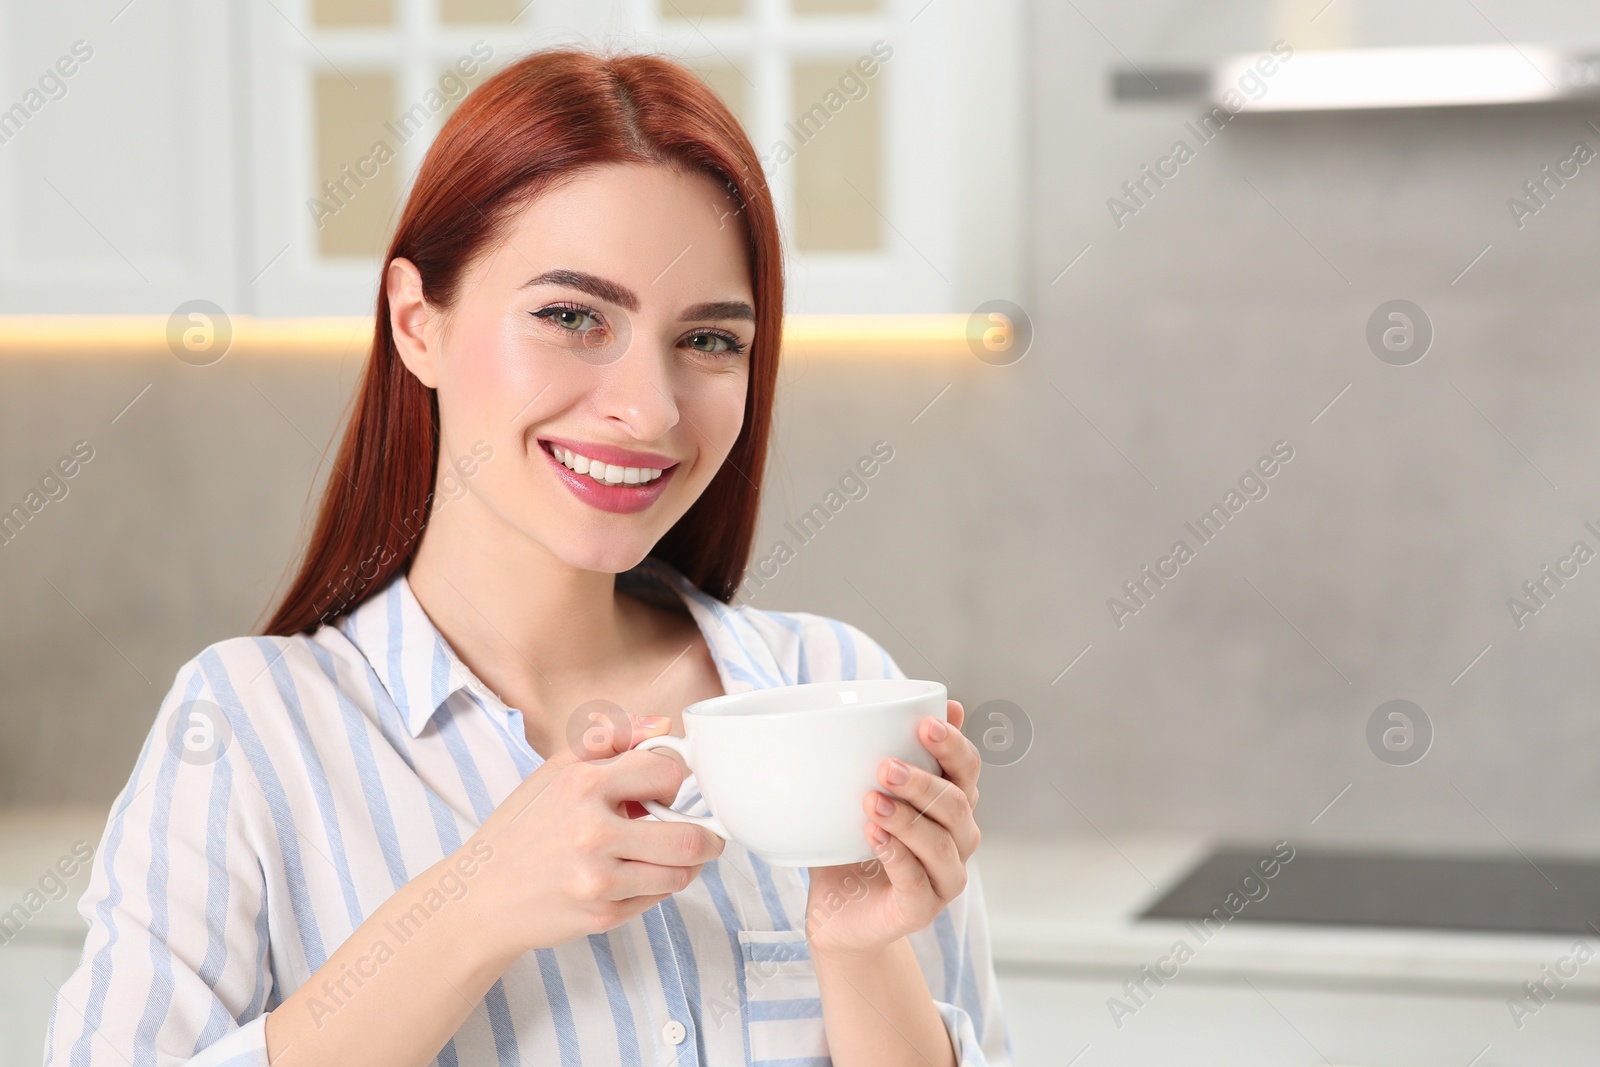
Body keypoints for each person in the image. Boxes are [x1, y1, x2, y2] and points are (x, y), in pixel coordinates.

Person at [43, 47, 1012, 1067]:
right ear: (417, 322)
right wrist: (472, 906)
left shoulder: (839, 691)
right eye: (572, 317)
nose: (649, 407)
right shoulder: (248, 730)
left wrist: (859, 957)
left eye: (711, 341)